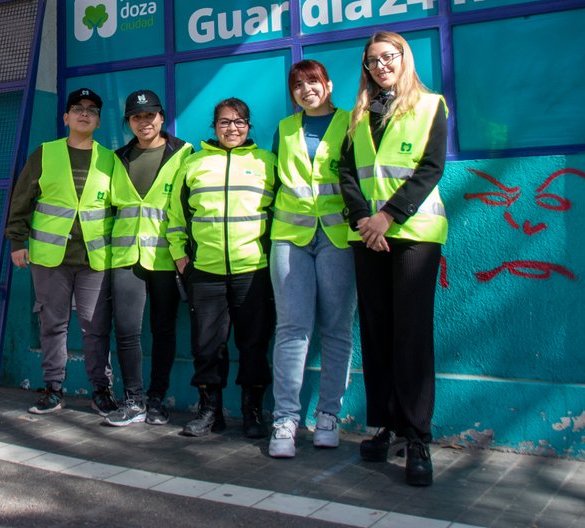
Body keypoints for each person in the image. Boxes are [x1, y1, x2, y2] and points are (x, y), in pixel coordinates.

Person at [338, 31, 448, 487]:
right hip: (369, 237)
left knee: (412, 336)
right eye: (372, 60)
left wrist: (388, 217)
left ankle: (417, 437)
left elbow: (430, 167)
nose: (381, 65)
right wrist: (366, 220)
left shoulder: (430, 104)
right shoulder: (360, 113)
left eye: (389, 56)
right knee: (378, 332)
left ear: (405, 58)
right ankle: (386, 424)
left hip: (414, 235)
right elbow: (345, 172)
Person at [5, 87, 117, 416]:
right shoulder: (45, 153)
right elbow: (22, 198)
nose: (85, 113)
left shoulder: (110, 159)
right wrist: (16, 242)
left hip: (95, 258)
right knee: (52, 324)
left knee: (95, 326)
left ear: (98, 121)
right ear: (66, 117)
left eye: (92, 109)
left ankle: (102, 389)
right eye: (78, 108)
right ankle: (53, 389)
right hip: (49, 258)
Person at [168, 97, 276, 438]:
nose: (233, 128)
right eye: (225, 122)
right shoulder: (193, 163)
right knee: (207, 344)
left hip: (254, 269)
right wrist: (180, 256)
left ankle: (252, 412)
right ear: (213, 127)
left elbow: (282, 214)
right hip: (206, 271)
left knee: (254, 343)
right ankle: (210, 411)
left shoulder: (267, 162)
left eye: (240, 121)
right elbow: (175, 216)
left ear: (249, 126)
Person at [267, 60, 356, 459]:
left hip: (338, 237)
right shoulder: (285, 129)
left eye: (313, 82)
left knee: (336, 328)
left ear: (329, 84)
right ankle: (285, 419)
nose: (306, 89)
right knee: (292, 328)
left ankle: (328, 416)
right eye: (298, 84)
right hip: (290, 237)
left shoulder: (353, 123)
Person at [104, 89, 193, 426]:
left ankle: (156, 400)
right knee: (126, 331)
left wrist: (186, 252)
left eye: (150, 115)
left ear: (162, 117)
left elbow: (190, 207)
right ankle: (134, 400)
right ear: (128, 121)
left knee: (164, 329)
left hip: (167, 257)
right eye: (136, 117)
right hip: (125, 256)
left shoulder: (184, 153)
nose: (144, 122)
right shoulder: (117, 158)